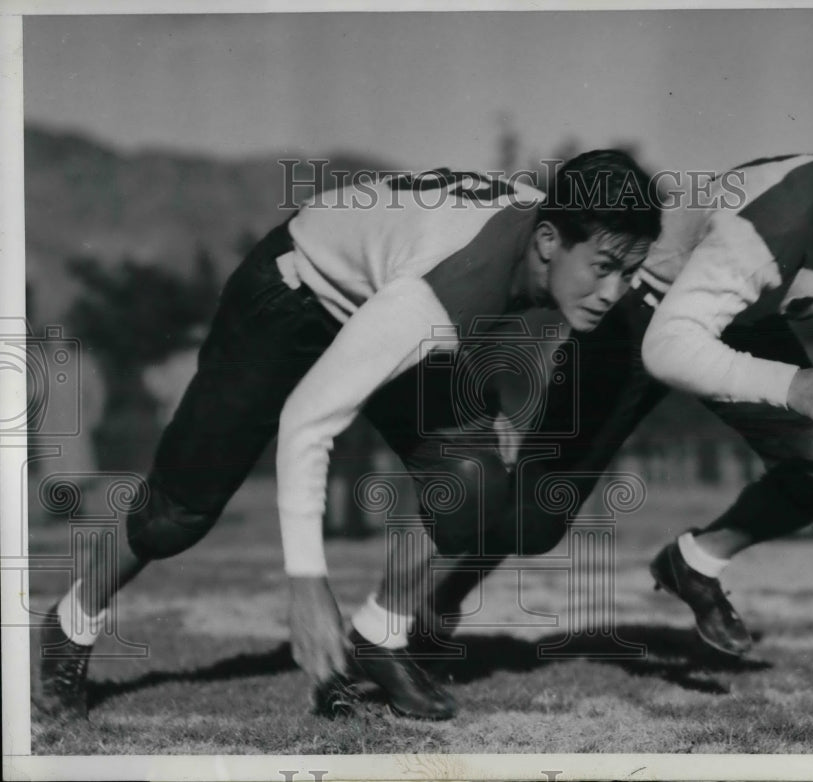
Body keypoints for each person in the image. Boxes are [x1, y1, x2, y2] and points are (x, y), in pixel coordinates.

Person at [34, 151, 662, 721]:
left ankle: (378, 637)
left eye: (628, 272)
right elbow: (308, 418)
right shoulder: (446, 287)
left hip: (386, 290)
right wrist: (307, 585)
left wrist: (484, 401)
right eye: (604, 268)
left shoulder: (529, 243)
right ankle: (71, 622)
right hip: (291, 299)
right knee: (176, 515)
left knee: (472, 483)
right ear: (549, 240)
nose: (614, 292)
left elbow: (461, 292)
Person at [408, 102, 813, 660]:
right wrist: (789, 384)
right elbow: (671, 346)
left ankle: (694, 563)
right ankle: (425, 604)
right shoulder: (762, 233)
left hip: (740, 317)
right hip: (640, 313)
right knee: (536, 517)